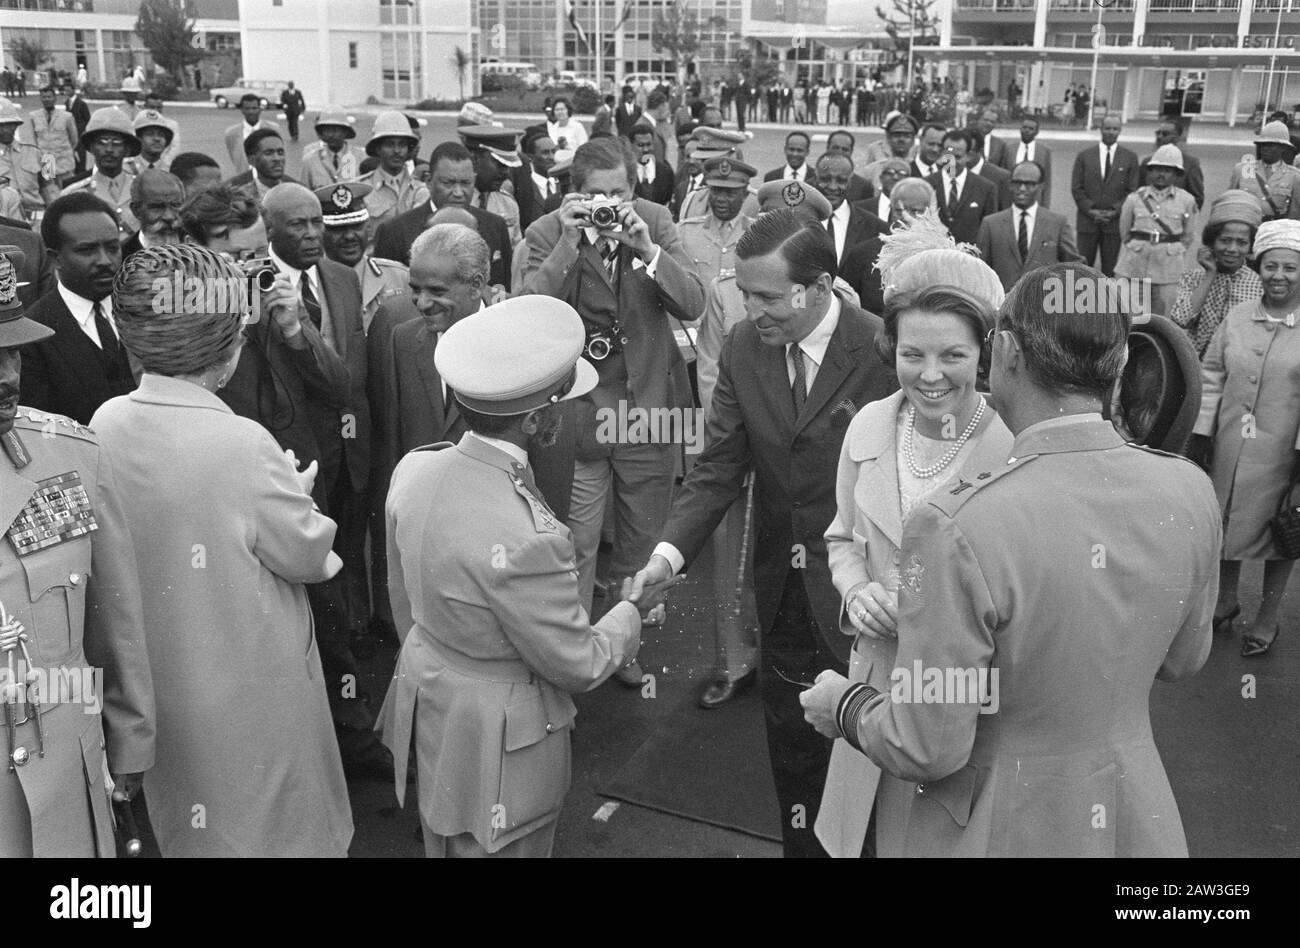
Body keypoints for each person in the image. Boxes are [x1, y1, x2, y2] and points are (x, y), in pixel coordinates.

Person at [800, 260, 1221, 857]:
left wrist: (841, 703)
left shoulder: (954, 524)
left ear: (1010, 353)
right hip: (1134, 817)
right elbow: (1183, 660)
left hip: (994, 824)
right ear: (1119, 363)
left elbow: (928, 746)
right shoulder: (1190, 489)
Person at [626, 210, 898, 857]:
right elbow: (718, 467)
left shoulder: (886, 349)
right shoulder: (748, 346)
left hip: (875, 608)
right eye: (744, 294)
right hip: (786, 602)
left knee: (878, 777)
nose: (751, 310)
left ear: (821, 287)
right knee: (797, 766)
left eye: (767, 296)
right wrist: (666, 557)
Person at [89, 243, 352, 857]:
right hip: (252, 689)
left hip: (161, 688)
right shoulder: (244, 442)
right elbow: (310, 556)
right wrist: (299, 494)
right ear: (228, 351)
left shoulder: (104, 422)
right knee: (279, 829)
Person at [378, 295, 653, 858]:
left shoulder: (416, 468)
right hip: (500, 737)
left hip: (432, 701)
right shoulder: (534, 536)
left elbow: (402, 594)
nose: (567, 411)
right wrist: (632, 612)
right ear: (534, 420)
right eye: (559, 402)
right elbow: (577, 663)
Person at [817, 247, 1013, 858]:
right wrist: (856, 592)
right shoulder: (868, 425)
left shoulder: (1011, 448)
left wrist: (928, 609)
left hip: (962, 699)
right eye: (912, 354)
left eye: (953, 355)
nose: (931, 374)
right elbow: (841, 538)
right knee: (866, 838)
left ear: (984, 355)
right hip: (871, 677)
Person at [521, 136, 704, 682]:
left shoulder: (654, 220)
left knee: (639, 540)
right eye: (595, 193)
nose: (609, 204)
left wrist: (649, 251)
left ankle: (624, 649)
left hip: (645, 409)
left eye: (619, 192)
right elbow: (529, 309)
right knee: (574, 541)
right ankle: (571, 654)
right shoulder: (546, 231)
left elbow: (694, 304)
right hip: (577, 412)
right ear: (573, 191)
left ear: (634, 187)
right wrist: (568, 245)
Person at [0, 247, 154, 858]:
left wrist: (131, 739)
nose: (6, 374)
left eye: (10, 349)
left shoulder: (71, 455)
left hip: (66, 768)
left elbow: (114, 617)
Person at [1188, 220, 1300, 657]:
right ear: (1259, 267)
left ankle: (1268, 618)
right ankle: (1227, 600)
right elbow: (1212, 373)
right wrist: (1202, 431)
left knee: (1283, 533)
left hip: (1282, 454)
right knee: (1228, 520)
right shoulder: (1239, 316)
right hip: (1231, 443)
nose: (1278, 277)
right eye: (1270, 266)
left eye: (1290, 268)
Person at [18, 194, 134, 424]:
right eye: (87, 250)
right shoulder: (34, 335)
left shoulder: (148, 311)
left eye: (112, 247)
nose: (105, 261)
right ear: (55, 259)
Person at [372, 141, 512, 292]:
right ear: (428, 182)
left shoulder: (495, 226)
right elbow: (389, 296)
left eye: (466, 183)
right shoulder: (395, 231)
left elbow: (501, 289)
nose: (458, 193)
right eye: (448, 183)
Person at [1169, 189, 1264, 358]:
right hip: (1196, 366)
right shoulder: (1193, 278)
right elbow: (1181, 319)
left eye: (1241, 243)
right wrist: (1210, 274)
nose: (1232, 249)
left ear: (1250, 247)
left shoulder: (1259, 285)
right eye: (1225, 241)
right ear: (1212, 241)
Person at [316, 182, 409, 334]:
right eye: (337, 229)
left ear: (368, 228)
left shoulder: (399, 276)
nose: (349, 236)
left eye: (356, 226)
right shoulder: (311, 283)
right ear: (321, 233)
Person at [1115, 144, 1197, 317]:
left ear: (1176, 175)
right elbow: (1124, 231)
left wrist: (1175, 250)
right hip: (1135, 265)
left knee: (1166, 315)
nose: (1161, 174)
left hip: (1168, 268)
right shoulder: (1134, 199)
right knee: (1130, 315)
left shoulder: (1186, 201)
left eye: (1168, 170)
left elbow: (1188, 236)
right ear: (1149, 172)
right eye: (1157, 169)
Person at [976, 160, 1082, 292]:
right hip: (1003, 303)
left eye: (1029, 184)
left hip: (1044, 303)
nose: (1021, 188)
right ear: (1010, 185)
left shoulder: (1058, 223)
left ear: (1041, 186)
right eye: (1017, 182)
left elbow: (1075, 266)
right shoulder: (991, 224)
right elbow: (980, 269)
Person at [1072, 115, 1139, 277]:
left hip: (1114, 223)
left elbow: (1132, 190)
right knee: (1083, 267)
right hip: (1088, 222)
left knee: (1110, 267)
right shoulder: (1084, 156)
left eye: (1115, 129)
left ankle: (1106, 299)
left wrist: (1114, 211)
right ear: (1101, 129)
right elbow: (1077, 188)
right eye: (1107, 128)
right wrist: (1091, 210)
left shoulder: (1129, 157)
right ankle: (1082, 300)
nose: (1111, 132)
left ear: (1120, 131)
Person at [62, 108, 142, 235]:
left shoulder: (143, 191)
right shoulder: (74, 195)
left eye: (117, 143)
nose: (109, 149)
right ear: (91, 147)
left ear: (127, 149)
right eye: (101, 142)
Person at [928, 129, 998, 246]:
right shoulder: (927, 184)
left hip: (970, 259)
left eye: (958, 157)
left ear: (968, 156)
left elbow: (989, 233)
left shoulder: (986, 188)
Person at [817, 151, 885, 269]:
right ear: (816, 178)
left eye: (841, 180)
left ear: (850, 181)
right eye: (825, 179)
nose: (833, 187)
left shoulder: (875, 227)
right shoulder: (797, 221)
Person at [460, 126, 524, 245]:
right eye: (500, 164)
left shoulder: (508, 204)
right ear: (474, 158)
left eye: (508, 166)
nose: (506, 172)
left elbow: (515, 254)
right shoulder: (456, 200)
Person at [1228, 121, 1300, 222]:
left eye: (1271, 145)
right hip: (1246, 226)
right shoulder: (1242, 169)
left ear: (1283, 148)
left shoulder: (1294, 176)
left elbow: (1294, 214)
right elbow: (1229, 202)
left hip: (1274, 231)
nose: (1265, 148)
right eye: (1262, 144)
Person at [0, 99, 59, 221]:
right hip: (6, 226)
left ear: (16, 125)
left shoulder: (40, 153)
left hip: (38, 221)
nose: (5, 130)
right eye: (0, 125)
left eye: (9, 124)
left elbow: (51, 189)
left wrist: (57, 216)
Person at [1140, 118, 1204, 211]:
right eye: (1158, 133)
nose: (1160, 137)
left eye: (1165, 134)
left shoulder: (1190, 164)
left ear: (1177, 137)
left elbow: (1197, 198)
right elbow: (1140, 191)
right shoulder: (1147, 162)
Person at [120, 169, 184, 258]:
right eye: (157, 207)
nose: (169, 216)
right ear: (136, 211)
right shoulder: (122, 256)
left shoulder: (201, 245)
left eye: (175, 205)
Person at [225, 129, 297, 201]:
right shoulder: (239, 197)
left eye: (280, 153)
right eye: (268, 153)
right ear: (252, 160)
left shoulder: (297, 193)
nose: (277, 159)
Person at [997, 115, 1052, 208]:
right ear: (1020, 129)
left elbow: (1047, 180)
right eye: (1024, 127)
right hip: (1011, 200)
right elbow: (1003, 176)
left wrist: (1045, 205)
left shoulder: (1044, 151)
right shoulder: (1009, 149)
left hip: (1035, 200)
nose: (1027, 131)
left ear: (1036, 132)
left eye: (1031, 128)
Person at [301, 107, 362, 190]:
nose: (330, 134)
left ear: (345, 131)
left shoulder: (360, 158)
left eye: (335, 129)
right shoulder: (310, 161)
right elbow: (305, 195)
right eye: (326, 130)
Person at [29, 86, 78, 185]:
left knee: (68, 192)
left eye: (49, 97)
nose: (47, 99)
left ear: (55, 98)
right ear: (40, 99)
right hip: (47, 161)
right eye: (44, 97)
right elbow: (33, 139)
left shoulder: (66, 116)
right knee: (50, 193)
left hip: (64, 161)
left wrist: (65, 151)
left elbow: (74, 139)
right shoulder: (34, 116)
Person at [223, 94, 280, 176]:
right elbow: (234, 157)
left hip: (269, 177)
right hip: (244, 178)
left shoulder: (273, 129)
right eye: (247, 109)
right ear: (242, 110)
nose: (251, 112)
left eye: (254, 108)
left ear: (260, 109)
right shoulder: (231, 134)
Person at [517, 129, 562, 233]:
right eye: (545, 153)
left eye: (553, 151)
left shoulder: (562, 184)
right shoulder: (524, 187)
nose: (551, 157)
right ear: (530, 157)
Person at [630, 125, 674, 206]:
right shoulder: (626, 172)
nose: (645, 149)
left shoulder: (665, 171)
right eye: (640, 145)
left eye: (648, 144)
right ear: (631, 146)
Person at [124, 109, 177, 175]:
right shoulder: (125, 169)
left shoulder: (172, 171)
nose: (157, 138)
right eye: (150, 134)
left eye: (161, 135)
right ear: (138, 139)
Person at [547, 97, 588, 165]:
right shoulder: (552, 129)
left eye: (562, 109)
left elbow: (584, 148)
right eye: (557, 110)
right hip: (555, 165)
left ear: (568, 110)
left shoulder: (577, 127)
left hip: (573, 164)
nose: (560, 112)